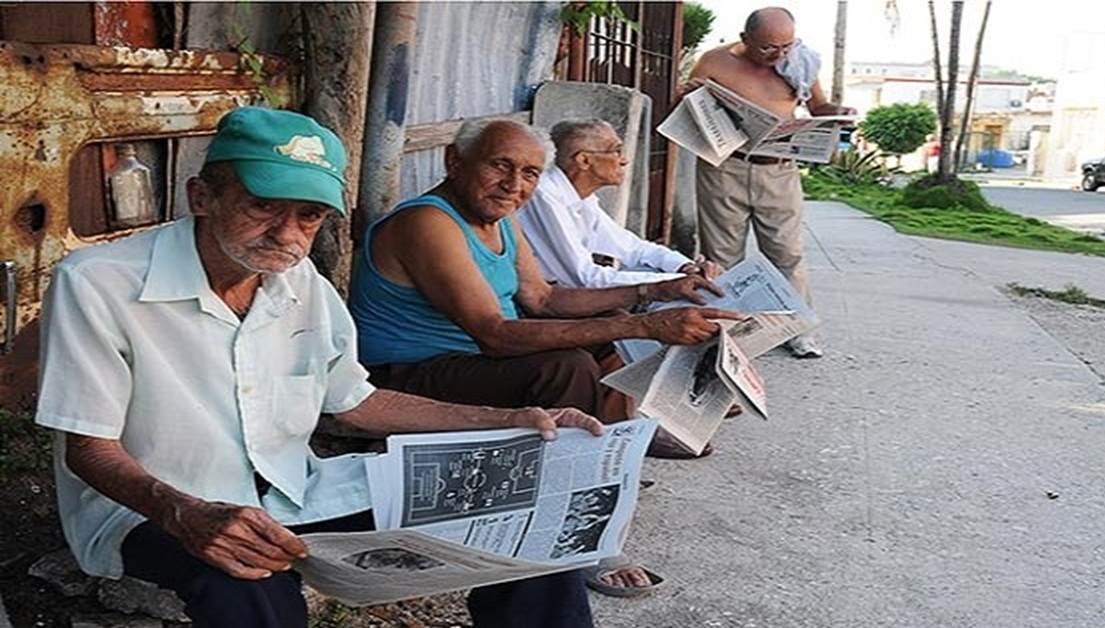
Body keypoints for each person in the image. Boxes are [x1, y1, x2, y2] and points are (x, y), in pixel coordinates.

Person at [35, 107, 603, 628]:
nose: (287, 234)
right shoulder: (98, 283)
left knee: (531, 523)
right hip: (155, 507)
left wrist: (512, 419)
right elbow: (89, 448)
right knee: (250, 585)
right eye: (263, 206)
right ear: (202, 196)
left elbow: (357, 402)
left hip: (294, 490)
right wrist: (184, 511)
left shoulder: (299, 281)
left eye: (308, 215)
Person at [348, 118, 741, 595]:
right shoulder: (427, 222)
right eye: (500, 165)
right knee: (567, 367)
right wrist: (644, 324)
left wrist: (656, 292)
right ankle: (575, 533)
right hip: (408, 374)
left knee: (606, 336)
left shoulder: (500, 218)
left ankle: (606, 472)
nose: (514, 184)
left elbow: (543, 298)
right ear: (455, 161)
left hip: (470, 360)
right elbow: (494, 335)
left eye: (530, 173)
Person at [686, 6, 855, 359]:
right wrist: (684, 95)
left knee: (786, 254)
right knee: (722, 256)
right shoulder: (714, 61)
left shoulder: (802, 62)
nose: (778, 55)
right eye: (767, 47)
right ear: (745, 39)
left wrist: (839, 114)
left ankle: (798, 332)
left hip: (779, 170)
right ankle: (726, 332)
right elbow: (687, 104)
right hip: (725, 168)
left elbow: (819, 107)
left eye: (785, 46)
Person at [517, 118, 723, 288]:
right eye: (616, 151)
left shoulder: (582, 197)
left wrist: (685, 267)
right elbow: (583, 277)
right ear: (584, 161)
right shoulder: (545, 195)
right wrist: (677, 281)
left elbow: (633, 248)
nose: (624, 160)